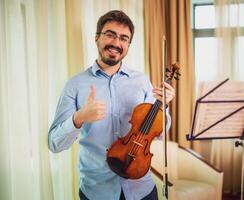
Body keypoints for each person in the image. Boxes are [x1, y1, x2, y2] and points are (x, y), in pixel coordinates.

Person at [48, 10, 175, 200]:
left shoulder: (141, 80)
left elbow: (160, 132)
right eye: (110, 35)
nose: (116, 43)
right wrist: (79, 118)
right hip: (98, 191)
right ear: (96, 38)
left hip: (141, 188)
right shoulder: (75, 84)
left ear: (128, 44)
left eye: (124, 38)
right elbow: (54, 144)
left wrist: (162, 107)